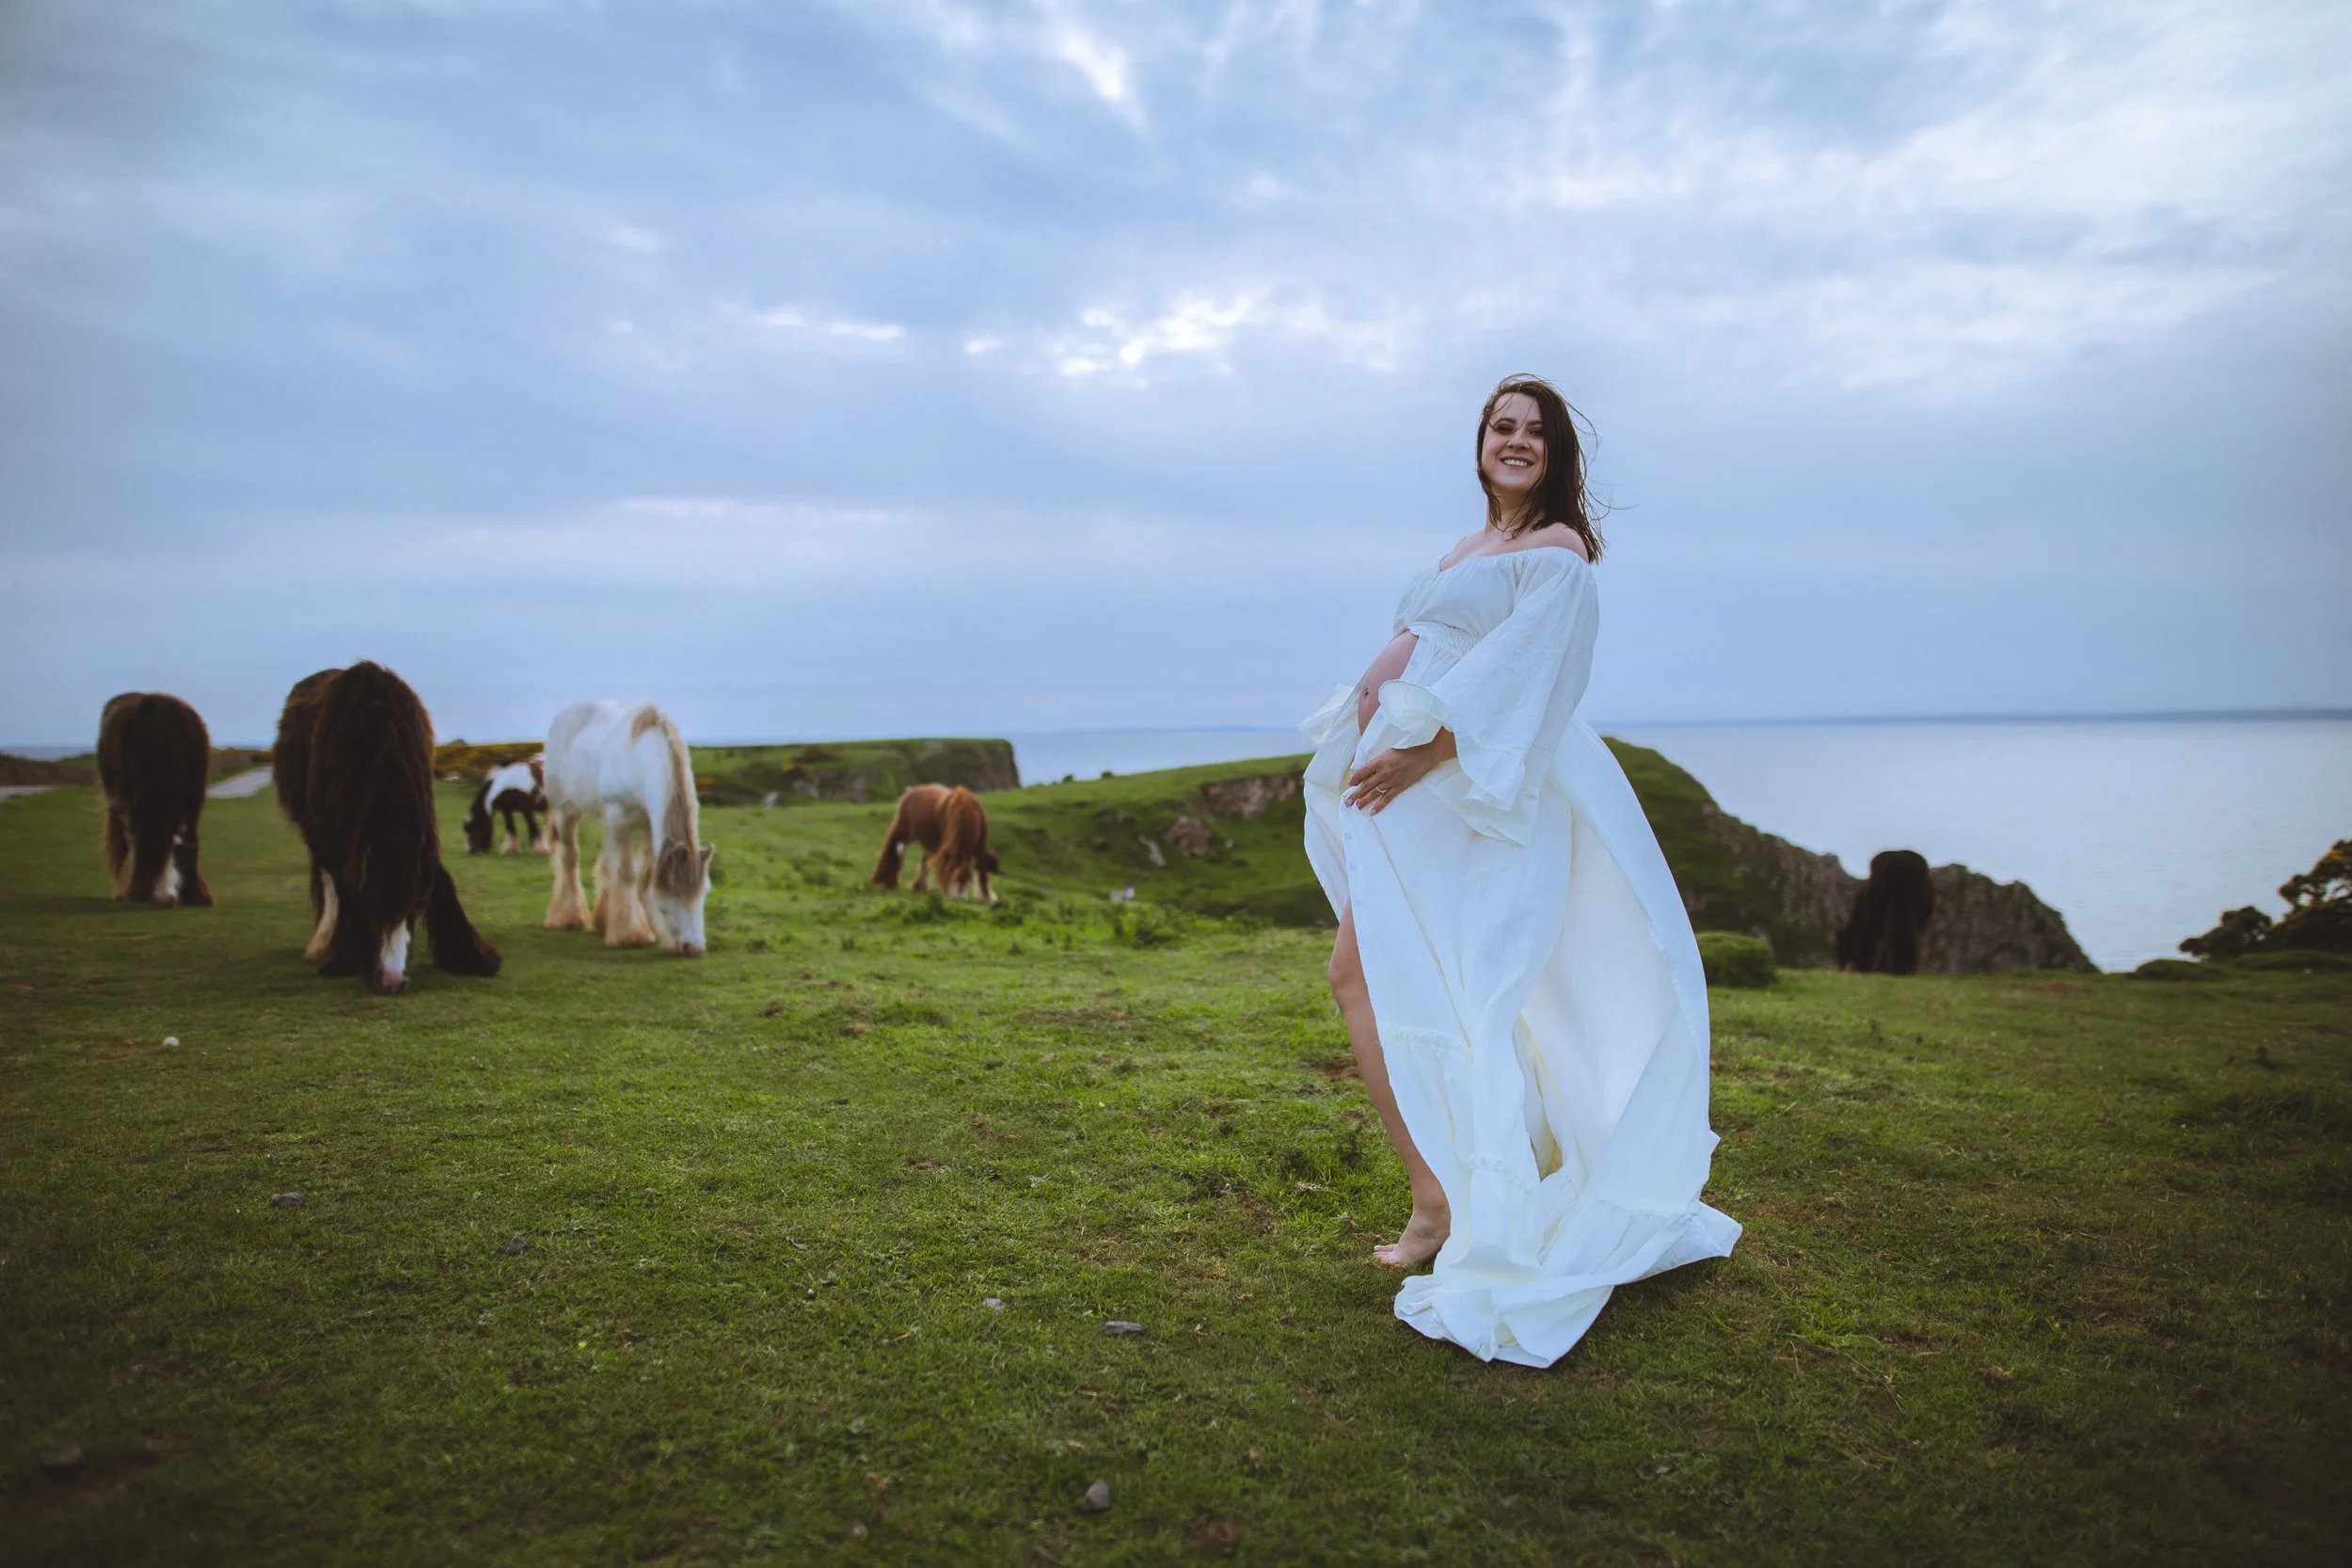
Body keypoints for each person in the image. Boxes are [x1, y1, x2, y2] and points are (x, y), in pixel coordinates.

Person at [1301, 373, 1740, 1367]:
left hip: (1461, 798)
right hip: (1415, 804)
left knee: (1420, 984)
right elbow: (1437, 645)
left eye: (1533, 432)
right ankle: (1442, 1193)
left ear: (1557, 456)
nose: (1514, 440)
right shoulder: (1470, 548)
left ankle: (1442, 1204)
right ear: (1478, 441)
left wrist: (1424, 750)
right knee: (1378, 978)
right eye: (1500, 425)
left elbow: (1538, 673)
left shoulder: (1558, 552)